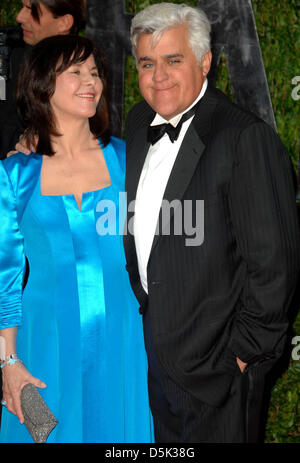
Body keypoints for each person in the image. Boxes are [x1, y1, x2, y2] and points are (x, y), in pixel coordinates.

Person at [123, 3, 300, 443]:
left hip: (218, 374)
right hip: (155, 357)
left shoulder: (245, 138)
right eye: (147, 63)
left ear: (205, 62)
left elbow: (275, 265)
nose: (158, 75)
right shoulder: (137, 122)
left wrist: (239, 357)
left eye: (173, 60)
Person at [0, 34, 153, 443]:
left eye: (95, 72)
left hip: (126, 337)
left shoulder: (131, 159)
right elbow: (5, 277)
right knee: (48, 434)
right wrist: (9, 362)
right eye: (76, 72)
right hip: (43, 338)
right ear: (44, 84)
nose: (92, 81)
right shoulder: (15, 175)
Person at [0, 0, 87, 159]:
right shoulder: (12, 51)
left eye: (31, 10)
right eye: (22, 7)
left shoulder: (82, 77)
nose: (20, 17)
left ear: (64, 22)